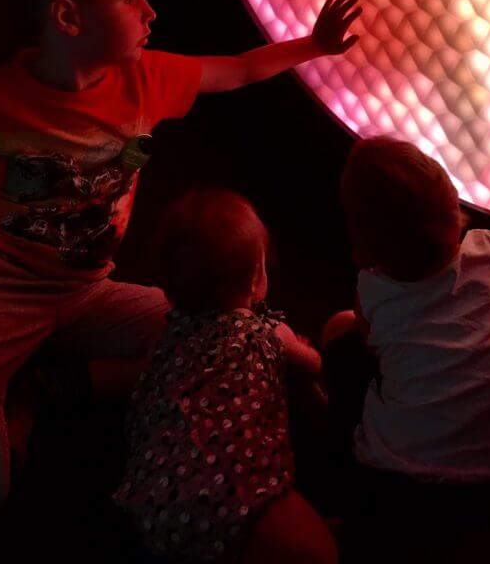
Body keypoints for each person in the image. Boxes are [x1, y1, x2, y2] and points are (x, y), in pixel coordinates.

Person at [0, 0, 361, 512]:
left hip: (91, 290)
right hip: (7, 284)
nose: (152, 13)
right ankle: (13, 401)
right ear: (69, 16)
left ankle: (48, 391)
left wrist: (313, 45)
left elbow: (234, 71)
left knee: (214, 333)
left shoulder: (146, 79)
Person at [322, 111, 490, 523]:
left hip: (381, 478)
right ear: (455, 206)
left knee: (340, 328)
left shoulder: (371, 286)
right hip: (487, 484)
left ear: (362, 250)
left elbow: (374, 352)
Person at [115, 187, 336, 564]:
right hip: (234, 489)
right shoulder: (266, 332)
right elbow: (314, 364)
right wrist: (302, 347)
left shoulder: (166, 336)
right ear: (255, 281)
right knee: (320, 551)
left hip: (150, 497)